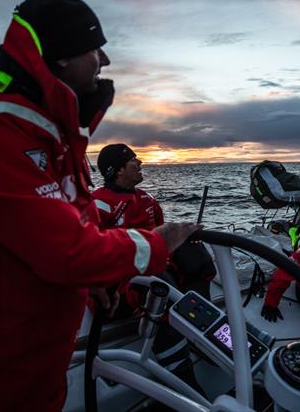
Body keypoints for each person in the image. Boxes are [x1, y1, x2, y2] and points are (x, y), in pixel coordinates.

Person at [0, 0, 199, 411]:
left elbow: (62, 229)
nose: (106, 60)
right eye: (95, 47)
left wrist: (92, 281)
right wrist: (160, 241)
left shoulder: (52, 136)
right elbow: (67, 250)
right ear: (61, 55)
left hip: (36, 378)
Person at [91, 143, 214, 391]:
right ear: (117, 171)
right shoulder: (97, 205)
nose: (140, 163)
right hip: (116, 287)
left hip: (152, 269)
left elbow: (163, 238)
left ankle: (201, 332)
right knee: (160, 285)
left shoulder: (146, 199)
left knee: (196, 256)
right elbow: (91, 254)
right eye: (132, 161)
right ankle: (184, 381)